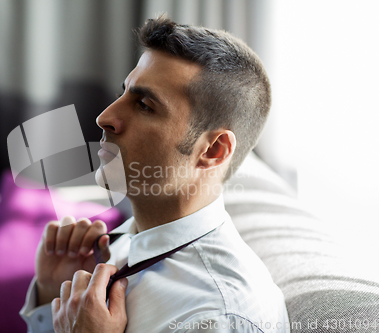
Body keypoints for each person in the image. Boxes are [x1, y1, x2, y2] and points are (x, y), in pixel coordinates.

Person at [20, 15, 289, 333]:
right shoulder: (121, 246)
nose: (105, 117)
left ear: (213, 150)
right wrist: (53, 296)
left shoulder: (217, 318)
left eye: (145, 105)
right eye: (124, 93)